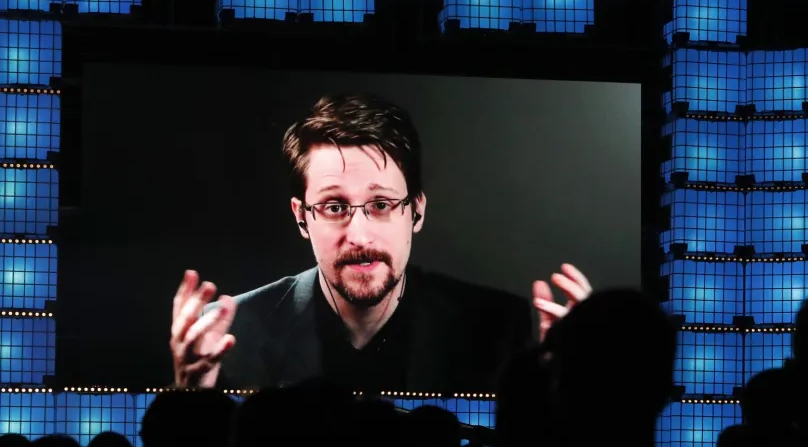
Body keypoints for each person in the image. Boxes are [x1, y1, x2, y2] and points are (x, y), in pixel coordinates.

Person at [168, 93, 592, 393]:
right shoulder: (229, 335)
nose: (360, 234)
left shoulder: (499, 331)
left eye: (382, 204)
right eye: (334, 206)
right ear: (302, 217)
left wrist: (570, 393)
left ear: (417, 212)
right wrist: (188, 401)